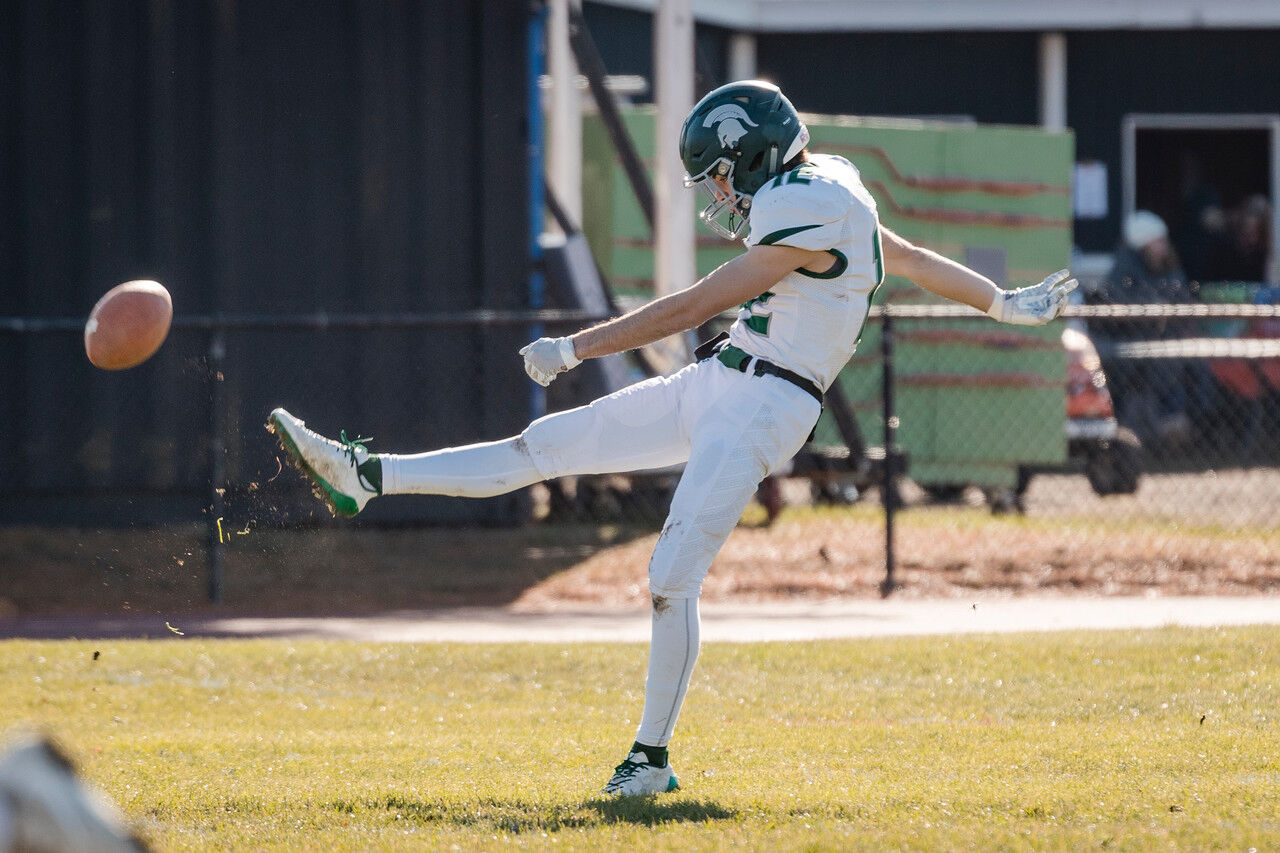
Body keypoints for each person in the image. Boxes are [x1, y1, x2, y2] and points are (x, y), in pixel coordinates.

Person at [268, 80, 1076, 796]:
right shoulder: (829, 187)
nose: (719, 191)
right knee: (545, 445)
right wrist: (1002, 302)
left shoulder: (809, 202)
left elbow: (696, 304)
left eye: (721, 173)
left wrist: (576, 347)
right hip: (725, 378)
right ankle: (367, 476)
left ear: (753, 155)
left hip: (767, 404)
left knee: (669, 576)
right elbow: (909, 256)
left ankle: (650, 757)